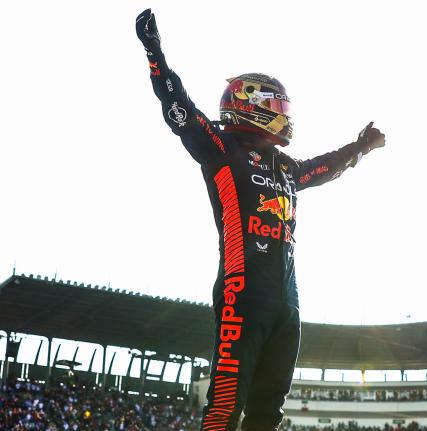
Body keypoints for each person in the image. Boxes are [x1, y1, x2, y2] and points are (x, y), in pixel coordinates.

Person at [135, 8, 386, 431]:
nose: (283, 112)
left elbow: (323, 168)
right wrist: (155, 53)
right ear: (248, 105)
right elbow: (179, 108)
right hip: (242, 294)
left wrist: (360, 148)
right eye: (274, 104)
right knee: (225, 406)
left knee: (268, 413)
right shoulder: (221, 148)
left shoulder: (285, 168)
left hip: (288, 305)